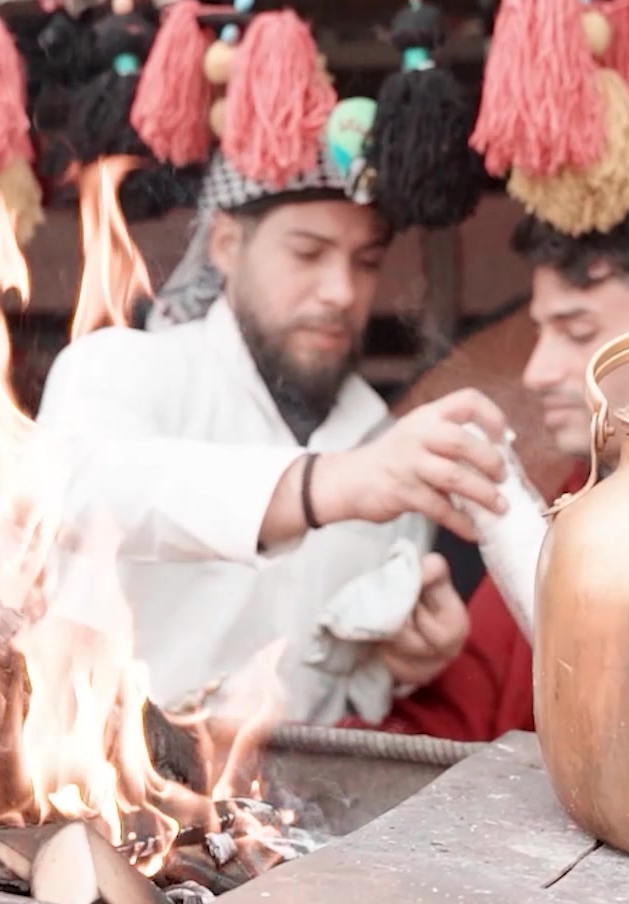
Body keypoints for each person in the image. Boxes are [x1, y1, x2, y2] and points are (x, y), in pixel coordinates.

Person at [34, 147, 513, 727]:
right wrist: (323, 484)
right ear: (226, 245)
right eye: (308, 253)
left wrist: (403, 659)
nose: (340, 291)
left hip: (302, 811)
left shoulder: (383, 440)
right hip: (113, 798)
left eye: (365, 261)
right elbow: (80, 491)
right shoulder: (123, 368)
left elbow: (333, 678)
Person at [374, 186, 629, 741]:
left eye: (578, 333)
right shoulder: (588, 486)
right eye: (541, 331)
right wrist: (417, 666)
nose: (537, 371)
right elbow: (459, 716)